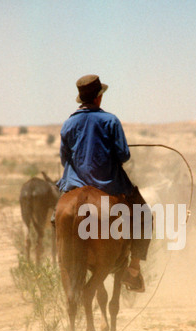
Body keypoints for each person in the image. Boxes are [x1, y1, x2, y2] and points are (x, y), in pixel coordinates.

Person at [56, 74, 152, 292]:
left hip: (74, 183)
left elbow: (64, 158)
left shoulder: (69, 123)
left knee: (57, 215)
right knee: (144, 214)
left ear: (81, 99)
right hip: (108, 184)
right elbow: (123, 155)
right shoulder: (110, 121)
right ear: (99, 98)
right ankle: (133, 270)